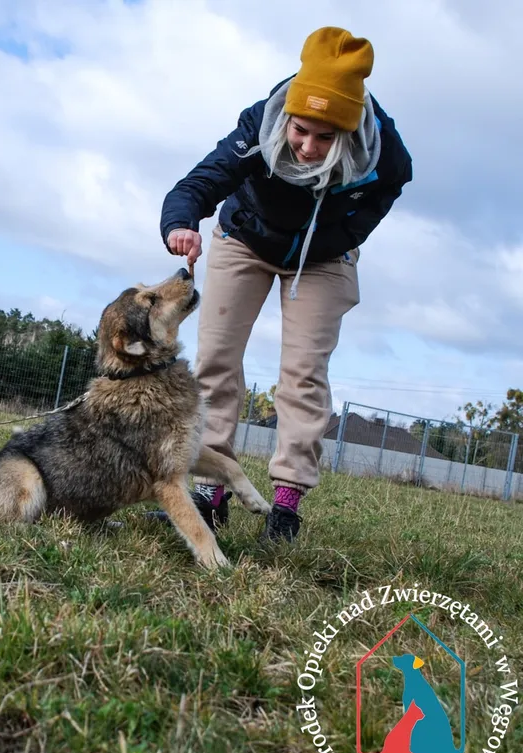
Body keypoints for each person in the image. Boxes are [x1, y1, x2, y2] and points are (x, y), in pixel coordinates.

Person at [157, 26, 412, 542]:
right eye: (300, 131)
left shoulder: (382, 149)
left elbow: (393, 185)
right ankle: (211, 492)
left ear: (349, 129)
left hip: (322, 256)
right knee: (216, 361)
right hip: (246, 238)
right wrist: (181, 221)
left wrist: (344, 234)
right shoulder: (259, 122)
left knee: (304, 373)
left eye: (325, 137)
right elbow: (202, 180)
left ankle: (286, 507)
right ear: (287, 115)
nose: (309, 147)